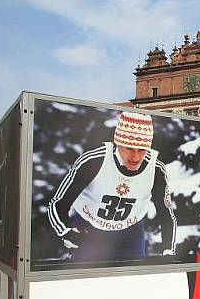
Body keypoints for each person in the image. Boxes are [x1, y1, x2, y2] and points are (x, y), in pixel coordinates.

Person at [47, 111, 176, 263]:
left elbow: (166, 214)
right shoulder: (93, 161)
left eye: (142, 150)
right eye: (129, 148)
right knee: (83, 280)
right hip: (90, 230)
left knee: (132, 281)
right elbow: (57, 203)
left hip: (131, 234)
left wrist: (169, 250)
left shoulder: (156, 169)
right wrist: (65, 231)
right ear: (118, 142)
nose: (135, 158)